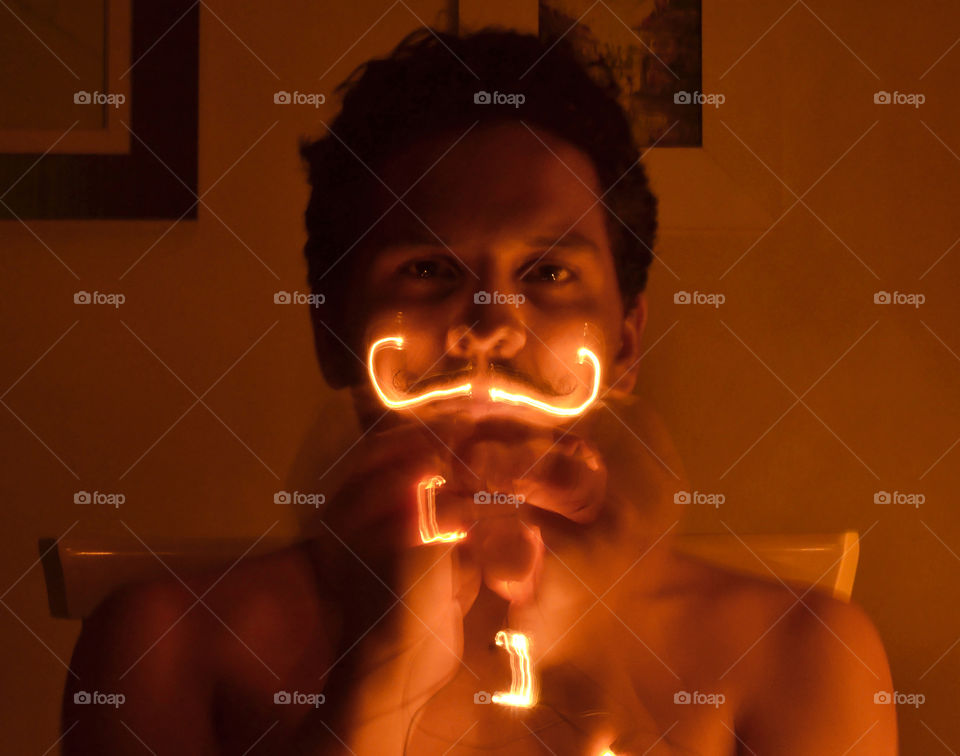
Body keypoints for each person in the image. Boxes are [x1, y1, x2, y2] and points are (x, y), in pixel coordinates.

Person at [63, 29, 897, 755]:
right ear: (331, 332)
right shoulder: (165, 647)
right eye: (428, 270)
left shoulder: (804, 654)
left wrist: (599, 685)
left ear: (627, 340)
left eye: (549, 272)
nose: (493, 327)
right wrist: (378, 681)